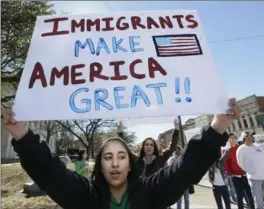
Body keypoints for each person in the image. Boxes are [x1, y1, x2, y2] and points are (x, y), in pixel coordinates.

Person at [3, 98, 239, 209]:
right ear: (101, 165)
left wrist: (217, 126)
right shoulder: (85, 196)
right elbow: (50, 174)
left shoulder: (151, 192)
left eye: (121, 156)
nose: (115, 163)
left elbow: (185, 168)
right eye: (108, 157)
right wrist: (21, 133)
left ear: (130, 164)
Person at [224, 133, 255, 209]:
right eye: (230, 138)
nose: (233, 139)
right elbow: (225, 164)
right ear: (228, 140)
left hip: (244, 175)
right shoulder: (227, 151)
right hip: (235, 177)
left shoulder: (240, 148)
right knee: (239, 195)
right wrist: (230, 173)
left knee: (249, 194)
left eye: (234, 137)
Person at [237, 132, 264, 209]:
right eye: (247, 137)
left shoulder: (258, 146)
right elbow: (240, 163)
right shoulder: (241, 149)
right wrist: (250, 171)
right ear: (244, 139)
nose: (249, 138)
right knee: (259, 203)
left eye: (251, 136)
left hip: (263, 175)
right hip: (254, 178)